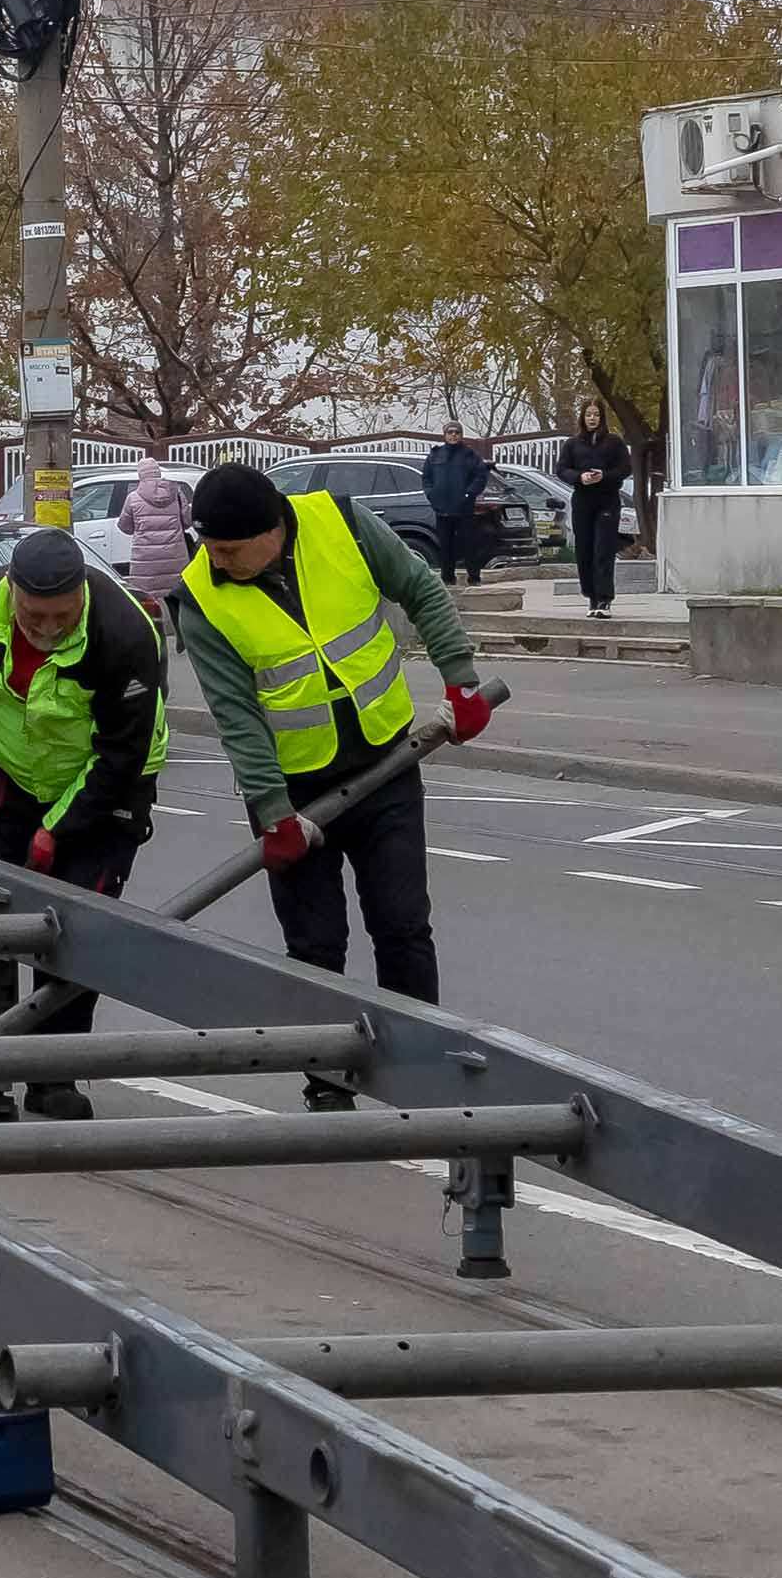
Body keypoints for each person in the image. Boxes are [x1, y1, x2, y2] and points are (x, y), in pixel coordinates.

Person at [177, 461, 493, 1098]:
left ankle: (420, 1069)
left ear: (274, 531)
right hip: (295, 794)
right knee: (316, 946)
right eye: (208, 546)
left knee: (402, 925)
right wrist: (271, 812)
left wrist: (459, 680)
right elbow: (236, 716)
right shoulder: (199, 598)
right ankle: (327, 1078)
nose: (217, 560)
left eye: (230, 549)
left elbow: (421, 590)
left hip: (387, 767)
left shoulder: (341, 521)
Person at [0, 528, 167, 1122]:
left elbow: (121, 752)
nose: (47, 628)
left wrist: (60, 829)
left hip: (107, 788)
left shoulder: (123, 633)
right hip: (14, 776)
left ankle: (52, 1074)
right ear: (11, 590)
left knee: (74, 929)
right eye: (35, 615)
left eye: (61, 616)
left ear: (82, 600)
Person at [555, 397, 631, 618]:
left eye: (596, 414)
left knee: (603, 549)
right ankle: (591, 597)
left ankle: (605, 600)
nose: (592, 419)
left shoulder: (614, 442)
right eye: (588, 414)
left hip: (607, 500)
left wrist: (603, 476)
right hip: (582, 501)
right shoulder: (572, 444)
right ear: (583, 417)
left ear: (602, 417)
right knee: (585, 550)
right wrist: (580, 477)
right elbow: (561, 469)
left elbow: (625, 469)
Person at [117, 456, 191, 628]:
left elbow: (125, 527)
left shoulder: (133, 498)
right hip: (175, 555)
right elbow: (187, 522)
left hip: (145, 559)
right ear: (158, 473)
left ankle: (153, 628)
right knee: (175, 593)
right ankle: (177, 628)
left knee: (147, 598)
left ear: (140, 475)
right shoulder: (176, 494)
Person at [419, 425, 492, 587]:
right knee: (445, 546)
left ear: (461, 435)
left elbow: (480, 477)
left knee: (469, 545)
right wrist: (432, 494)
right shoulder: (435, 454)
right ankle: (447, 578)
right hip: (442, 509)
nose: (453, 435)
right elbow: (426, 478)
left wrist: (469, 494)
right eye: (450, 432)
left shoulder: (469, 455)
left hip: (464, 510)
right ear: (444, 435)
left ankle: (474, 578)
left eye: (456, 432)